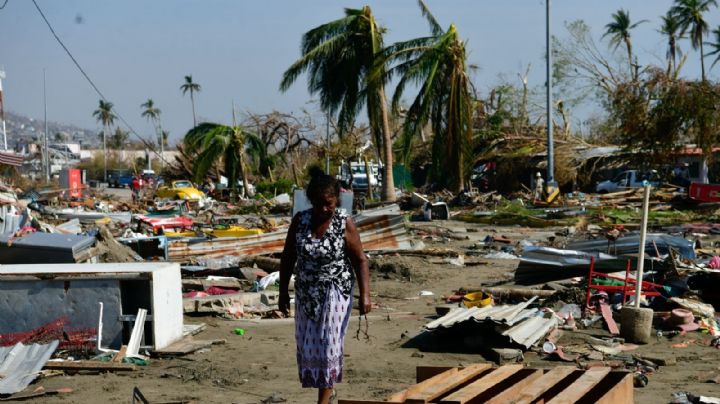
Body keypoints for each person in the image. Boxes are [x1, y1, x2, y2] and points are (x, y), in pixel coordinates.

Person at [279, 167, 371, 404]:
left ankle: (325, 397)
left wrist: (365, 296)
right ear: (311, 201)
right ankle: (327, 390)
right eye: (319, 204)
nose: (324, 209)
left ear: (336, 201)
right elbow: (288, 257)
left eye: (328, 204)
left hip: (335, 290)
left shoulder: (344, 222)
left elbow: (360, 259)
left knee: (329, 342)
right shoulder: (300, 221)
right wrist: (282, 294)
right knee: (310, 345)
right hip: (306, 292)